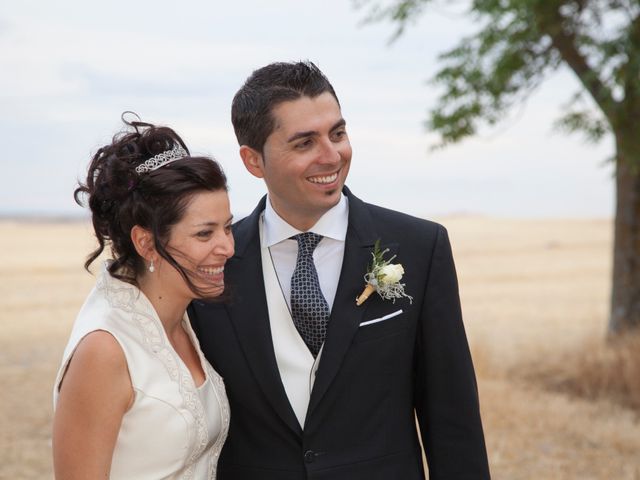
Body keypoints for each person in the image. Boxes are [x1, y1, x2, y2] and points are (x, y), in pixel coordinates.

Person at [189, 61, 490, 479]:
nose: (332, 156)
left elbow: (452, 416)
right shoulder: (211, 262)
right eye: (304, 143)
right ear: (253, 160)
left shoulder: (421, 247)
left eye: (338, 133)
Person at [52, 116, 234, 479]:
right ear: (146, 242)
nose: (227, 247)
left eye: (228, 227)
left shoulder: (183, 317)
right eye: (204, 234)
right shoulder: (104, 350)